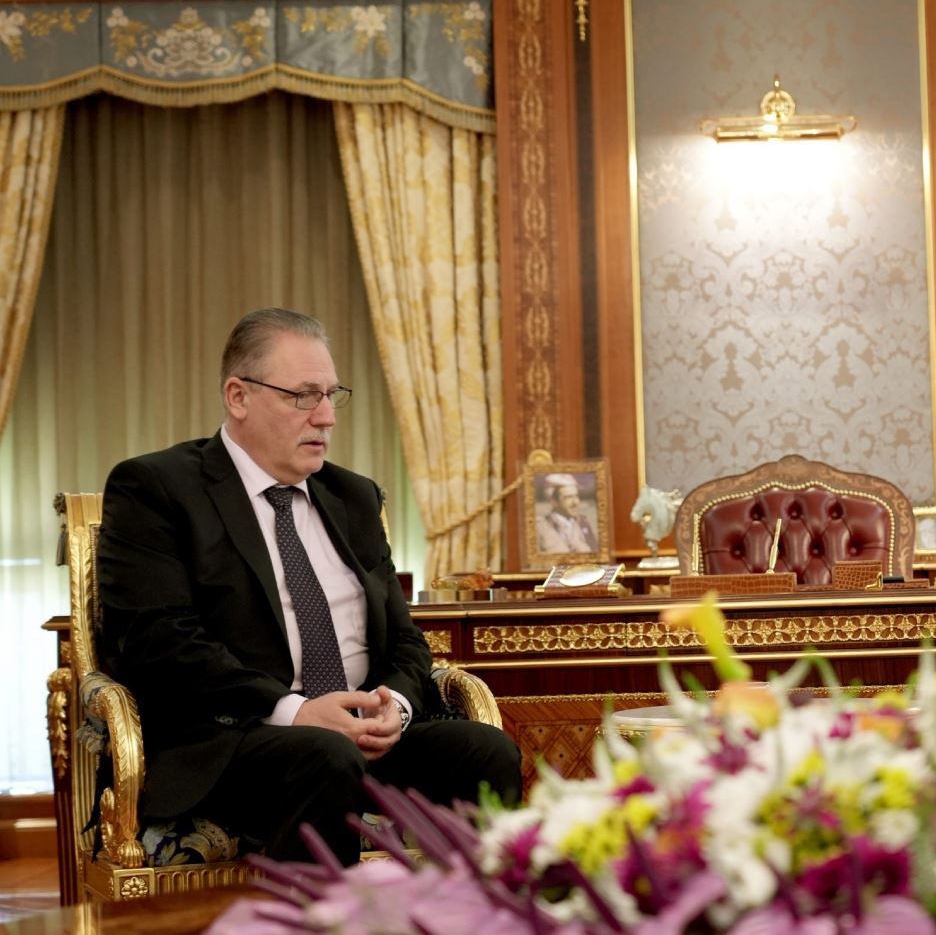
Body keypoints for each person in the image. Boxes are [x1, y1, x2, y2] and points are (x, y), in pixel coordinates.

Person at [97, 309, 522, 865]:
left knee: (484, 751)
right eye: (303, 396)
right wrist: (295, 711)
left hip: (362, 737)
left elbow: (405, 640)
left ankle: (480, 909)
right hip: (237, 742)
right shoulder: (157, 488)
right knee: (323, 755)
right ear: (238, 396)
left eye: (330, 395)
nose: (325, 417)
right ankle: (318, 913)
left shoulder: (354, 497)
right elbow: (159, 642)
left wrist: (394, 706)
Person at [534, 473, 598, 553]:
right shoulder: (540, 527)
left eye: (576, 496)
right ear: (553, 501)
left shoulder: (583, 523)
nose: (576, 502)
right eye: (568, 497)